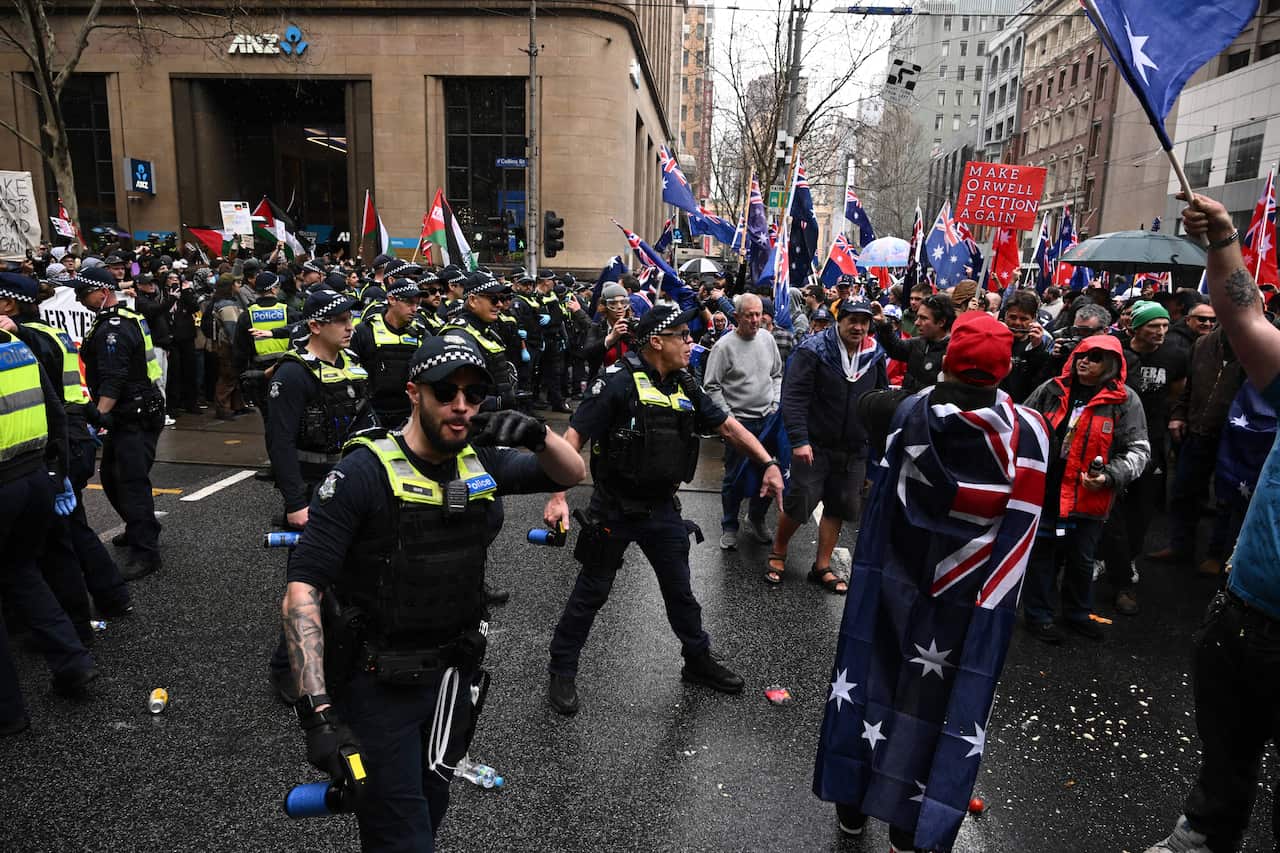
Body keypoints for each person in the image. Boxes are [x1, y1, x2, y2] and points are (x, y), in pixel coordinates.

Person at [282, 336, 584, 850]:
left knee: (431, 804)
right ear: (413, 393)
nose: (461, 405)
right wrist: (318, 712)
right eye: (446, 392)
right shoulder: (362, 472)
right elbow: (302, 590)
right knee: (403, 836)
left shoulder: (478, 459)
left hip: (451, 683)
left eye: (474, 393)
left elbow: (572, 473)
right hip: (380, 684)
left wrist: (536, 434)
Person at [813, 312, 1050, 853]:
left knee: (869, 682)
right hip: (969, 600)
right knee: (935, 706)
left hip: (892, 583)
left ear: (945, 357)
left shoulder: (896, 412)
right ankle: (907, 829)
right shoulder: (1033, 432)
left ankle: (852, 805)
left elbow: (868, 407)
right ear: (1006, 368)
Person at [541, 302, 785, 716]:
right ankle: (562, 668)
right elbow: (574, 436)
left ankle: (697, 661)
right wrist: (559, 495)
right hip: (614, 509)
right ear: (657, 341)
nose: (691, 343)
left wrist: (769, 463)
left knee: (681, 592)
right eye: (683, 336)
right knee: (590, 594)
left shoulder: (684, 384)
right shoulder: (617, 382)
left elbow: (727, 426)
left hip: (662, 511)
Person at [1137, 192, 1280, 853]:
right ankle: (1200, 833)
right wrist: (1224, 236)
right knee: (1223, 764)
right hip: (1243, 614)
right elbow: (1242, 314)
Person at [0, 273, 131, 633]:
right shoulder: (49, 331)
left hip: (59, 441)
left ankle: (73, 624)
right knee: (71, 527)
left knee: (58, 539)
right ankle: (110, 595)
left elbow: (50, 398)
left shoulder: (25, 337)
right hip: (73, 435)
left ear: (9, 304)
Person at [0, 325, 100, 736]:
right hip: (34, 478)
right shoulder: (15, 347)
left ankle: (8, 713)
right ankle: (72, 663)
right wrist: (56, 474)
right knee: (22, 572)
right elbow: (54, 409)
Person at [1020, 334, 1150, 643]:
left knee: (1082, 559)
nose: (1085, 361)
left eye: (1095, 357)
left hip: (1090, 497)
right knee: (1043, 557)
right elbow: (1022, 426)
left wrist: (1108, 476)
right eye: (1081, 355)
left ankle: (1077, 614)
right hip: (1047, 493)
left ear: (1113, 364)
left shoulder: (1125, 400)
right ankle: (1039, 617)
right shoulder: (1052, 390)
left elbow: (1139, 451)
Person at [767, 300, 886, 591]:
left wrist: (876, 449)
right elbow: (793, 397)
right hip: (814, 444)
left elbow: (880, 401)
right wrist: (799, 439)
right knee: (802, 500)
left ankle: (822, 566)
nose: (859, 327)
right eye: (852, 320)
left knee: (841, 505)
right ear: (839, 320)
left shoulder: (874, 355)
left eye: (864, 321)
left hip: (854, 448)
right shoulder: (814, 350)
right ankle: (778, 551)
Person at [76, 266, 167, 580]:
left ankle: (146, 552)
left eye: (83, 291)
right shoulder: (118, 319)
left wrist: (97, 419)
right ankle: (140, 526)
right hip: (132, 411)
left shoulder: (113, 327)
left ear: (103, 292)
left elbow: (114, 381)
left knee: (130, 481)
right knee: (113, 478)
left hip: (134, 413)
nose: (78, 297)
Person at [1101, 300, 1185, 615]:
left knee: (1141, 507)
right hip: (1114, 437)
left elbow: (1177, 392)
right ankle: (1109, 564)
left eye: (1165, 325)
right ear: (1135, 328)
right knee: (1111, 507)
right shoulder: (1117, 352)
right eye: (1153, 326)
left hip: (1153, 439)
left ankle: (1127, 562)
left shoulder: (1176, 356)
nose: (1161, 332)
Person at [1148, 320, 1243, 576]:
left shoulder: (1263, 346)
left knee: (1229, 499)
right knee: (1183, 492)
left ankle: (1218, 554)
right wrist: (1179, 413)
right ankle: (1180, 546)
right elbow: (1189, 387)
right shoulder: (1203, 344)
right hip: (1198, 431)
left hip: (1238, 438)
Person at [702, 293, 782, 550]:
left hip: (767, 420)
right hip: (739, 424)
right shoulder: (723, 347)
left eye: (759, 314)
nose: (756, 320)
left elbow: (777, 374)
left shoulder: (768, 340)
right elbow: (711, 386)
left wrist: (775, 404)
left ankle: (756, 519)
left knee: (768, 473)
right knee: (734, 478)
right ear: (736, 317)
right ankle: (729, 525)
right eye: (749, 315)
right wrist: (729, 418)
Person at [349, 275, 428, 429]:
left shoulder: (421, 334)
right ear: (392, 299)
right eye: (409, 302)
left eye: (417, 304)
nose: (414, 309)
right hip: (371, 412)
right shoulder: (365, 331)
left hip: (408, 413)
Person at [441, 272, 518, 411]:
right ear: (472, 300)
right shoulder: (459, 336)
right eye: (494, 299)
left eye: (501, 298)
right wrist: (496, 403)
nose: (500, 304)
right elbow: (454, 394)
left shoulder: (485, 329)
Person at [877, 292, 953, 392]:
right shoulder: (917, 343)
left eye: (923, 318)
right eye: (918, 317)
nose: (917, 323)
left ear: (941, 322)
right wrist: (883, 323)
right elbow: (895, 348)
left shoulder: (952, 354)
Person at [1000, 289, 1053, 403]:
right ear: (1005, 316)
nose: (1017, 323)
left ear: (1034, 319)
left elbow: (1038, 384)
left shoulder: (1043, 345)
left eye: (1024, 319)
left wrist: (1037, 348)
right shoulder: (994, 339)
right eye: (1013, 317)